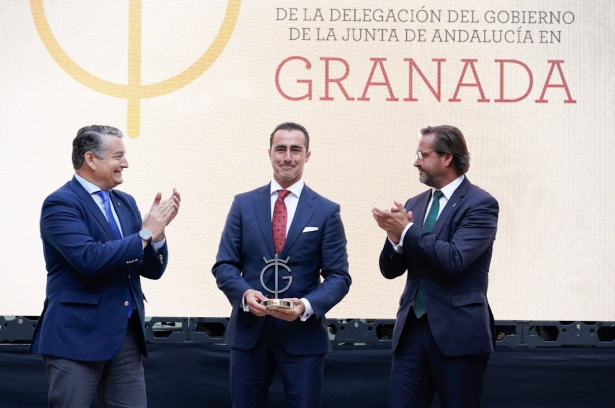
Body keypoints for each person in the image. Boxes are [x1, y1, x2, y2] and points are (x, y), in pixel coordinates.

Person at [30, 125, 180, 407]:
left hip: (124, 337)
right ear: (90, 159)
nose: (125, 163)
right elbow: (89, 258)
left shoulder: (125, 202)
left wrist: (157, 236)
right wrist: (145, 234)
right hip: (76, 338)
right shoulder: (61, 203)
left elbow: (150, 269)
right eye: (117, 155)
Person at [212, 122, 351, 408]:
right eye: (281, 149)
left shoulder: (326, 211)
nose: (287, 157)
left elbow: (339, 276)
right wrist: (244, 295)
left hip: (303, 337)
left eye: (295, 150)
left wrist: (306, 305)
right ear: (270, 153)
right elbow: (224, 265)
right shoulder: (243, 204)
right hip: (250, 334)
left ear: (307, 155)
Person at [372, 125, 498, 408]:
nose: (416, 161)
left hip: (458, 334)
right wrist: (395, 239)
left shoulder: (481, 203)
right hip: (411, 332)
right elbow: (390, 271)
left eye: (422, 154)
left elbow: (454, 260)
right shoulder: (414, 203)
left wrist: (407, 231)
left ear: (447, 158)